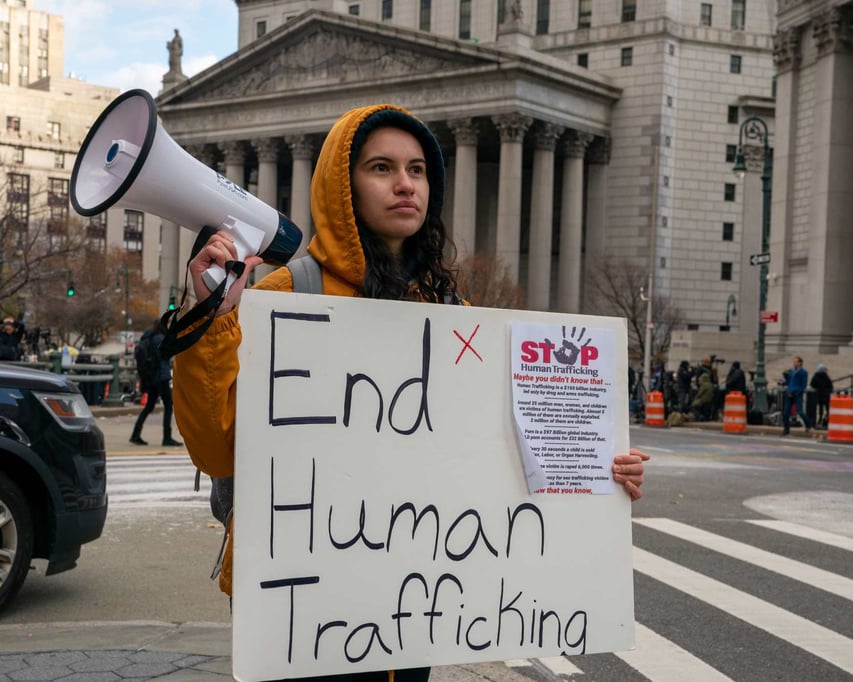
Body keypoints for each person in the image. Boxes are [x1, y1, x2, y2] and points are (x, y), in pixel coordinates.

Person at [171, 104, 649, 681]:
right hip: (303, 597)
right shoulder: (283, 294)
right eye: (381, 167)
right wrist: (211, 321)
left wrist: (600, 470)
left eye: (418, 170)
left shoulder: (454, 314)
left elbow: (498, 449)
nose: (405, 184)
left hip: (411, 597)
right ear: (342, 187)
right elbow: (216, 450)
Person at [130, 319, 182, 447]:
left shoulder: (150, 337)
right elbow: (165, 355)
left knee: (149, 406)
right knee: (168, 405)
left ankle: (136, 434)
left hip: (152, 377)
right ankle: (167, 437)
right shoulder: (159, 339)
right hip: (161, 376)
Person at [781, 355, 810, 435]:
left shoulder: (803, 373)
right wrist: (782, 382)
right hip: (789, 393)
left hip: (797, 395)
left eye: (796, 362)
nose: (794, 363)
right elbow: (788, 382)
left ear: (800, 363)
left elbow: (803, 385)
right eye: (794, 362)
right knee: (786, 412)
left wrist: (797, 392)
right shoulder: (790, 371)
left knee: (800, 412)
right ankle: (786, 430)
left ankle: (808, 424)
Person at [809, 363, 832, 428]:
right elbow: (830, 386)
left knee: (820, 408)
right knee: (827, 409)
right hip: (826, 395)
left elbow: (812, 384)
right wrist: (828, 391)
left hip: (818, 395)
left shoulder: (816, 376)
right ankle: (827, 419)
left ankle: (820, 419)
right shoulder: (826, 377)